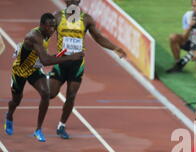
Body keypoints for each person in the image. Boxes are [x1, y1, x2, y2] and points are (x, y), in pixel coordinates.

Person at [48, 0, 127, 140]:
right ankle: (45, 79)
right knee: (50, 94)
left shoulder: (86, 19)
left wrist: (115, 48)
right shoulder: (57, 17)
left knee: (71, 96)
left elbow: (98, 37)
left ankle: (61, 125)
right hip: (61, 62)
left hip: (77, 64)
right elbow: (45, 35)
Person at [4, 13, 83, 142]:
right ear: (41, 25)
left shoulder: (46, 33)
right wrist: (70, 57)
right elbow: (46, 61)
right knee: (16, 100)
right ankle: (9, 115)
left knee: (46, 93)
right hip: (20, 71)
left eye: (54, 27)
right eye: (50, 27)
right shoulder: (34, 36)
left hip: (34, 69)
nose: (52, 30)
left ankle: (38, 130)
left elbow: (43, 57)